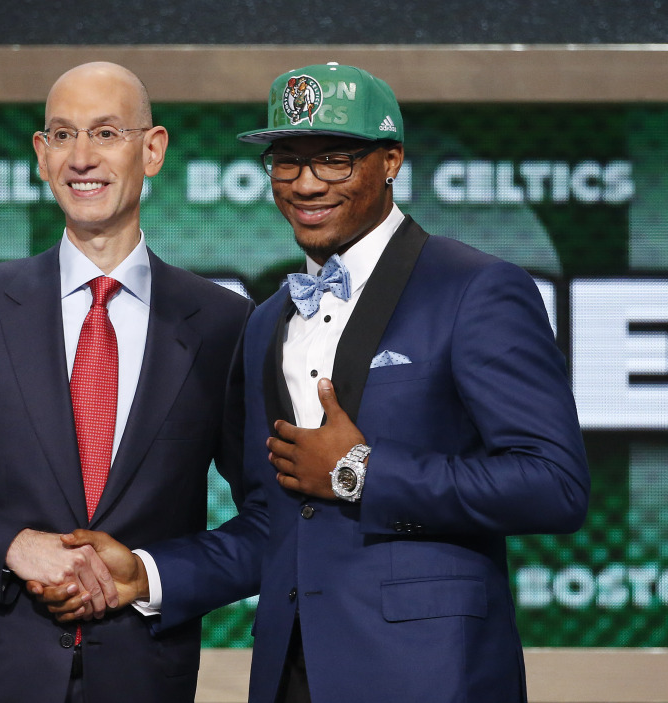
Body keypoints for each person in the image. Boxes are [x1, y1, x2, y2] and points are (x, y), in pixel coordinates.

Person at [41, 63, 590, 703]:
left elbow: (555, 484)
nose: (305, 184)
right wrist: (146, 573)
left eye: (333, 160)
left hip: (431, 675)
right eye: (287, 161)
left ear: (390, 161)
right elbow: (272, 524)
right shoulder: (268, 319)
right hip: (291, 675)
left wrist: (362, 470)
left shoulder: (476, 289)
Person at [0, 61, 253, 703]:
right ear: (41, 157)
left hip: (143, 680)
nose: (82, 158)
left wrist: (148, 576)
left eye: (105, 133)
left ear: (151, 150)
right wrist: (13, 547)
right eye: (63, 136)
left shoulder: (222, 323)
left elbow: (269, 520)